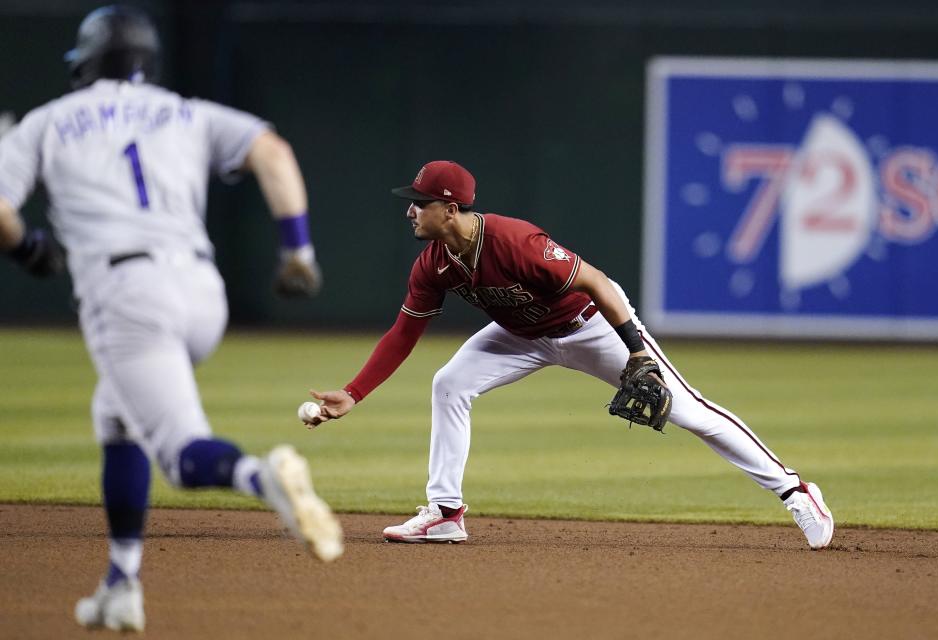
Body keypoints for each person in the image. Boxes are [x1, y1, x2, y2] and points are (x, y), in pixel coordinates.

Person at [0, 5, 342, 633]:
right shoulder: (187, 112)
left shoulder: (50, 122)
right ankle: (121, 584)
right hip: (201, 291)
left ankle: (265, 479)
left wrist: (28, 248)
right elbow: (273, 152)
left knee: (182, 457)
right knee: (115, 414)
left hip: (128, 295)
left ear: (86, 63)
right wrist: (298, 250)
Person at [307, 159, 834, 549]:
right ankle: (446, 512)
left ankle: (796, 492)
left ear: (450, 208)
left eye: (419, 202)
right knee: (449, 383)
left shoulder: (514, 241)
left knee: (692, 412)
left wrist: (636, 352)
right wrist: (354, 393)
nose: (411, 210)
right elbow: (404, 332)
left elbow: (598, 282)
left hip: (590, 327)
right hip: (517, 335)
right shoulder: (433, 263)